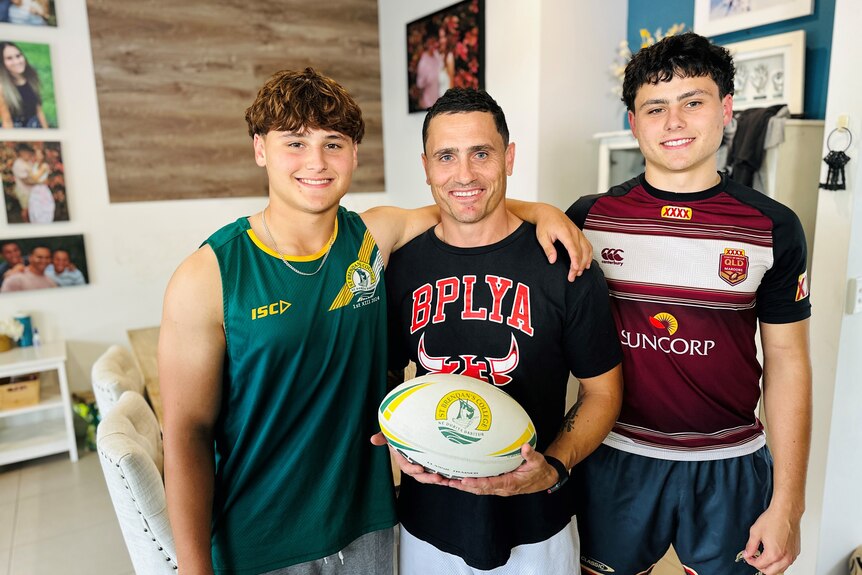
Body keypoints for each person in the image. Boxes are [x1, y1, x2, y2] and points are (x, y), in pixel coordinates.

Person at [159, 67, 592, 575]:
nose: (316, 162)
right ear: (260, 148)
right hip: (261, 537)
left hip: (369, 527)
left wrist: (544, 211)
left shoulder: (372, 237)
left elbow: (464, 200)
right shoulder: (208, 273)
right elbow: (185, 434)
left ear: (354, 153)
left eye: (333, 143)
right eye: (294, 143)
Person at [566, 32, 812, 575]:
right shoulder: (587, 218)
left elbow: (789, 361)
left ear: (726, 110)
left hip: (730, 464)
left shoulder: (772, 226)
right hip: (614, 457)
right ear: (634, 122)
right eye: (655, 107)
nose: (674, 122)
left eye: (692, 102)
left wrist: (788, 504)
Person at [376, 88, 623, 575]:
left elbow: (603, 392)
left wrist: (552, 468)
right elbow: (382, 373)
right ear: (426, 166)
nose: (464, 174)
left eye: (481, 154)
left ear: (509, 158)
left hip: (538, 526)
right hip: (427, 523)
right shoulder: (399, 266)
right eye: (446, 156)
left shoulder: (564, 262)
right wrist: (397, 441)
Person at [0, 42, 49, 129]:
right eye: (9, 58)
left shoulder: (31, 77)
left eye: (18, 56)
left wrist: (47, 135)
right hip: (17, 132)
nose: (16, 61)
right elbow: (7, 121)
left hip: (35, 127)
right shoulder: (2, 87)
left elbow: (39, 111)